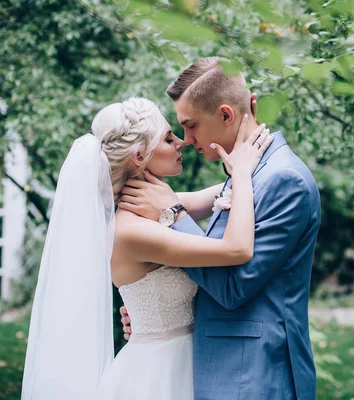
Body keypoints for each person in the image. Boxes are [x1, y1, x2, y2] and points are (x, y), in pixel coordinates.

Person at [21, 97, 273, 400]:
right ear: (140, 156)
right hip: (161, 371)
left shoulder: (155, 205)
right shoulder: (132, 231)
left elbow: (222, 194)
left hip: (189, 357)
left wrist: (244, 135)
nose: (182, 142)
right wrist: (241, 173)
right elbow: (236, 249)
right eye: (169, 138)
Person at [118, 58, 321, 400]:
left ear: (226, 115)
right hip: (223, 366)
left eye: (191, 125)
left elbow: (232, 288)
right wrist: (152, 312)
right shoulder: (247, 172)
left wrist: (173, 213)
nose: (187, 139)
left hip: (253, 374)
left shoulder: (282, 180)